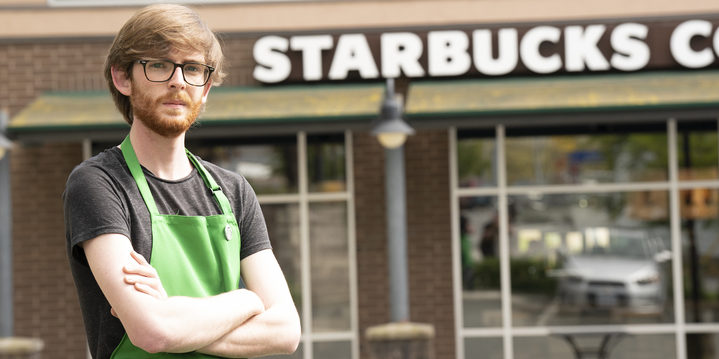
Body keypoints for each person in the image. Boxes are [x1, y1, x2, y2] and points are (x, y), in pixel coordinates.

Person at [62, 4, 301, 358]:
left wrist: (173, 316)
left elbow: (285, 331)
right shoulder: (99, 184)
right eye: (159, 65)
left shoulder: (234, 192)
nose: (178, 81)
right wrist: (246, 300)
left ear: (205, 88)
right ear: (122, 78)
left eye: (192, 69)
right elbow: (153, 332)